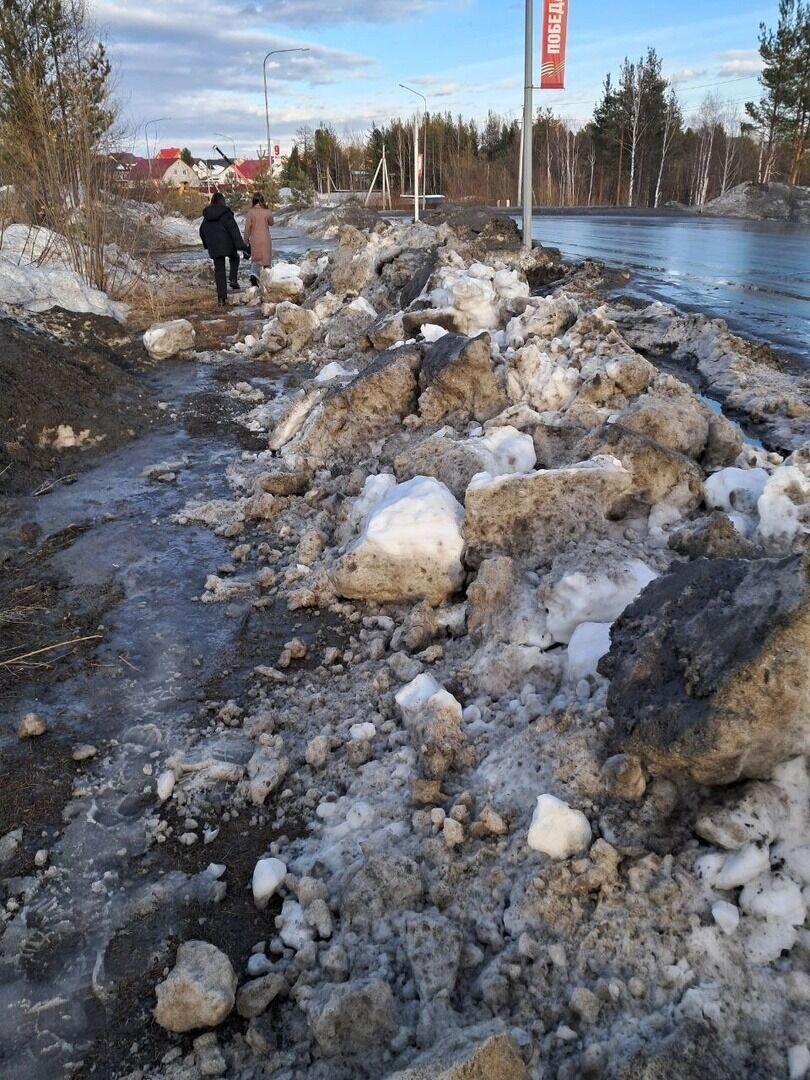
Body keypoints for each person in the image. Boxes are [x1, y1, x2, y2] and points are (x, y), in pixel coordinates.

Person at [199, 191, 249, 305]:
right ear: (222, 201)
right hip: (228, 245)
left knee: (219, 271)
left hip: (215, 247)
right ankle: (233, 279)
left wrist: (207, 245)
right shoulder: (226, 214)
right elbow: (234, 231)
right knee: (234, 257)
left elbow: (201, 231)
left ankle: (221, 299)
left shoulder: (206, 216)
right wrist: (243, 247)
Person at [243, 192, 274, 286]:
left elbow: (247, 229)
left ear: (253, 201)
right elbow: (271, 223)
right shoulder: (266, 211)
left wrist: (246, 241)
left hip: (255, 240)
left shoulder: (250, 212)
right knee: (266, 260)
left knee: (256, 261)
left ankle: (254, 276)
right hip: (265, 239)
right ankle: (267, 280)